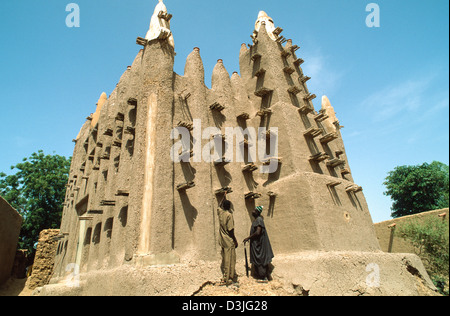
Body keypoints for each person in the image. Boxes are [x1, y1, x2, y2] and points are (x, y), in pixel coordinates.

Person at [243, 206, 274, 282]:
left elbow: (258, 232)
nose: (252, 211)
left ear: (257, 212)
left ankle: (263, 277)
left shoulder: (259, 220)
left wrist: (248, 238)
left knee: (260, 260)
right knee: (260, 260)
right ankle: (265, 276)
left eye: (254, 210)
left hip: (259, 245)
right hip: (257, 244)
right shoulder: (257, 220)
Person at [217, 192, 238, 286]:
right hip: (229, 240)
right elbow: (231, 230)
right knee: (230, 260)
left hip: (222, 240)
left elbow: (219, 205)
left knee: (225, 258)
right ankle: (228, 278)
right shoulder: (229, 215)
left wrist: (223, 196)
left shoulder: (220, 213)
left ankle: (227, 277)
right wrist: (235, 240)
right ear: (229, 207)